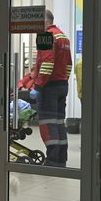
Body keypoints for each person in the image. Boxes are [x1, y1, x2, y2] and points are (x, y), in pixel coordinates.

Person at [29, 10, 72, 167]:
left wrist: (39, 86)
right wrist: (63, 82)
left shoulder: (45, 36)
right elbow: (68, 65)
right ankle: (61, 159)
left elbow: (47, 64)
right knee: (59, 123)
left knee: (48, 123)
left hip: (49, 87)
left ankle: (52, 160)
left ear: (44, 21)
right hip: (62, 85)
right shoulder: (63, 36)